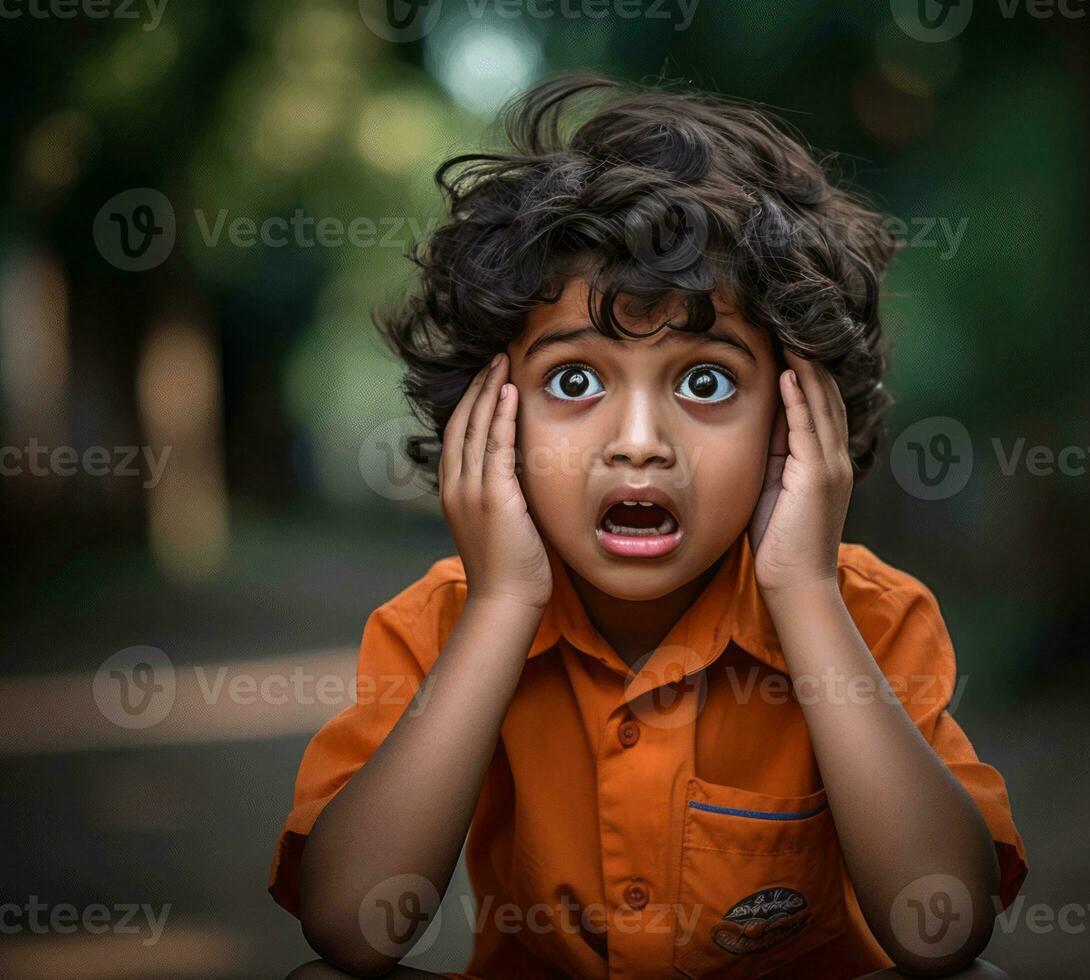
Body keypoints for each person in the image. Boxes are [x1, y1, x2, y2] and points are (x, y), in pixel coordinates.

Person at [271, 71, 1028, 979]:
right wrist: (504, 604)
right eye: (574, 381)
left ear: (792, 421)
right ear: (490, 414)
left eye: (704, 382)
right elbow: (350, 927)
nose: (638, 444)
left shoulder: (868, 615)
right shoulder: (439, 624)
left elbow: (943, 926)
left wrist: (803, 592)